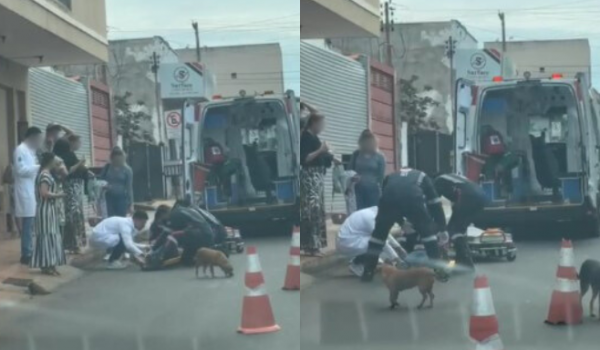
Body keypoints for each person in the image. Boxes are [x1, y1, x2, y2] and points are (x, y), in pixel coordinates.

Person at [361, 168, 447, 282]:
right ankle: (439, 271)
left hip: (388, 200)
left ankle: (368, 272)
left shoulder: (390, 176)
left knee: (378, 236)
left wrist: (401, 222)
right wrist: (442, 228)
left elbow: (388, 199)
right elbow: (435, 204)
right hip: (413, 199)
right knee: (428, 235)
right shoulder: (424, 177)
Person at [300, 110, 339, 256]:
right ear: (314, 123)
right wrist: (321, 150)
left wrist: (331, 157)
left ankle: (314, 244)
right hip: (310, 178)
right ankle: (311, 245)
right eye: (321, 124)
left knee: (316, 210)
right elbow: (306, 159)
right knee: (312, 210)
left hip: (317, 178)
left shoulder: (314, 138)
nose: (323, 127)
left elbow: (321, 156)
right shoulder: (306, 138)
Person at [434, 173, 487, 269]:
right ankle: (463, 261)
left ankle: (460, 261)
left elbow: (435, 205)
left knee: (452, 230)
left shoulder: (437, 181)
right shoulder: (452, 178)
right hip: (481, 195)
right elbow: (455, 201)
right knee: (460, 229)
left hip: (468, 196)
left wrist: (438, 224)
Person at [336, 206, 407, 277]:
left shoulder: (376, 212)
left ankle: (364, 261)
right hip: (347, 243)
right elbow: (380, 240)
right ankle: (356, 264)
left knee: (377, 243)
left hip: (352, 240)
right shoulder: (371, 218)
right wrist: (396, 259)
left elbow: (384, 233)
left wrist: (399, 247)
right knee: (376, 244)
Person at [30, 152, 67, 276]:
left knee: (51, 236)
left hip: (48, 209)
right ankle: (47, 265)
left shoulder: (46, 174)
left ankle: (50, 264)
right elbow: (44, 193)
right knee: (47, 236)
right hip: (45, 210)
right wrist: (59, 195)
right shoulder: (45, 175)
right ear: (50, 161)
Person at [53, 135, 90, 254]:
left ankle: (72, 244)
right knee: (73, 216)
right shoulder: (65, 157)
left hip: (73, 189)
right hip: (72, 188)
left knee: (72, 215)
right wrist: (81, 163)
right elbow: (69, 171)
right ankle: (74, 244)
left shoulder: (61, 157)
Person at [13, 127, 43, 265]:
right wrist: (38, 167)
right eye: (37, 138)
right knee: (27, 223)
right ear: (31, 137)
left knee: (30, 224)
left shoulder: (31, 152)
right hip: (24, 191)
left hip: (30, 190)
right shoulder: (20, 150)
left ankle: (29, 250)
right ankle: (26, 253)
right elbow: (20, 170)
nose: (39, 142)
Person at [350, 130, 386, 210]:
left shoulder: (379, 156)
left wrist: (382, 191)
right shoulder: (356, 154)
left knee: (373, 212)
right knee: (360, 211)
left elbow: (381, 176)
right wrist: (353, 177)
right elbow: (350, 171)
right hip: (358, 189)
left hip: (373, 190)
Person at [100, 147, 133, 217]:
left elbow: (129, 187)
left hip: (121, 198)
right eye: (116, 159)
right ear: (112, 159)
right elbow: (100, 180)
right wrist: (104, 186)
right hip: (108, 197)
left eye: (120, 159)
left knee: (121, 218)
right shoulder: (107, 167)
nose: (118, 161)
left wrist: (131, 204)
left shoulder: (127, 170)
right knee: (110, 218)